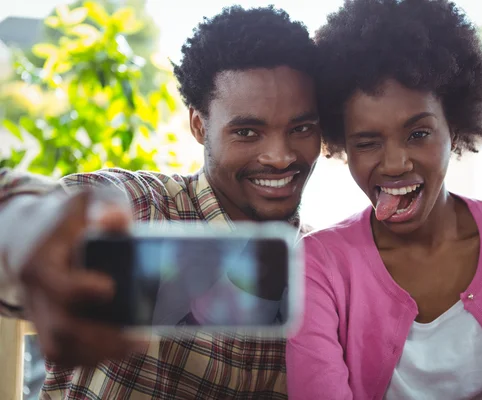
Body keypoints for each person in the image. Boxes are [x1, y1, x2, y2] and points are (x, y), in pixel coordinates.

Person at [0, 5, 321, 398]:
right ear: (199, 126)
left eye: (302, 128)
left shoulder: (324, 267)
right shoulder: (140, 211)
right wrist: (29, 227)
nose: (280, 156)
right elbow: (38, 214)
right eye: (248, 132)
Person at [286, 0, 482, 399]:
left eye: (418, 134)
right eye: (367, 142)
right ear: (342, 145)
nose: (396, 164)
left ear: (454, 126)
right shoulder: (317, 266)